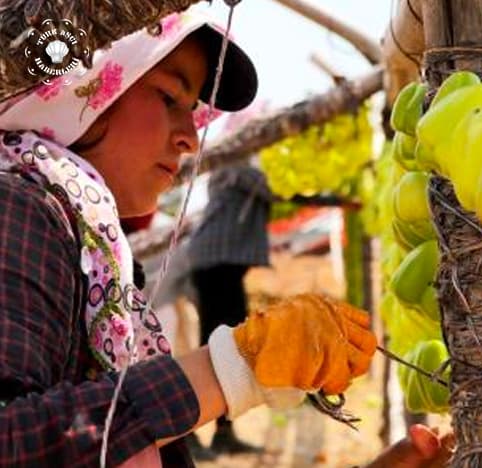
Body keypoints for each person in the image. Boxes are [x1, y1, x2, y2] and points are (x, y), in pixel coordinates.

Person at [0, 8, 451, 467]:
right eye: (170, 98)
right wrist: (233, 368)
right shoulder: (19, 211)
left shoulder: (94, 246)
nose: (190, 139)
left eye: (194, 111)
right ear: (86, 85)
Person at [186, 162, 273, 457]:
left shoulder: (227, 177)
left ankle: (221, 432)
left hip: (216, 265)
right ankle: (194, 433)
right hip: (216, 266)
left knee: (225, 348)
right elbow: (267, 187)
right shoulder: (237, 172)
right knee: (223, 349)